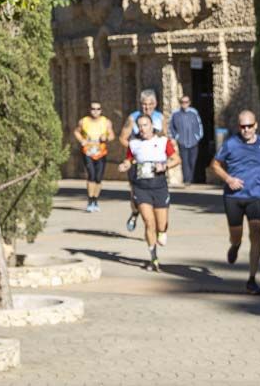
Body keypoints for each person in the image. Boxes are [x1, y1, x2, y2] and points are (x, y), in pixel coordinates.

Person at [210, 110, 260, 295]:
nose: (246, 129)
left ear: (256, 125)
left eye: (249, 126)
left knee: (255, 235)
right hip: (233, 197)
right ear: (239, 127)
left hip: (256, 196)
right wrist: (229, 179)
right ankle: (235, 245)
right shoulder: (231, 144)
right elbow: (214, 164)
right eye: (243, 126)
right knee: (236, 236)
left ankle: (252, 280)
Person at [118, 113, 180, 272]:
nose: (142, 129)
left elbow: (176, 159)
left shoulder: (162, 141)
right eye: (140, 126)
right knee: (148, 222)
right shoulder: (134, 144)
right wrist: (125, 165)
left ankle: (162, 232)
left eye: (145, 125)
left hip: (159, 187)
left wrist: (164, 166)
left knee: (161, 226)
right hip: (141, 187)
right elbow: (129, 160)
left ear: (152, 126)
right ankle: (154, 258)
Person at [119, 89, 166, 236]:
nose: (148, 107)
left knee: (156, 193)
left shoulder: (160, 118)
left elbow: (165, 138)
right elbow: (122, 138)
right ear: (141, 104)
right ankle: (135, 213)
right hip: (137, 162)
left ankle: (155, 225)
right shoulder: (133, 118)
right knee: (135, 192)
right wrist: (136, 151)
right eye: (145, 104)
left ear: (155, 104)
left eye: (151, 104)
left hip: (155, 164)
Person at [73, 101, 114, 212]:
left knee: (98, 177)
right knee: (91, 174)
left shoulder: (106, 122)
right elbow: (76, 132)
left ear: (101, 110)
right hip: (88, 152)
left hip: (101, 152)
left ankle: (95, 200)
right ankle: (90, 200)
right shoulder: (84, 121)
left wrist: (106, 138)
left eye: (98, 109)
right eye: (93, 109)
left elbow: (112, 135)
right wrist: (82, 140)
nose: (95, 111)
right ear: (89, 110)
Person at [170, 95, 204, 185]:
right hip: (182, 141)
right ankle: (187, 180)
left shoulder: (194, 113)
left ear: (189, 103)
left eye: (186, 102)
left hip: (193, 141)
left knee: (192, 161)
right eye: (182, 102)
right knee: (184, 162)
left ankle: (191, 178)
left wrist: (198, 136)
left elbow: (199, 125)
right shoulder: (175, 114)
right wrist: (176, 137)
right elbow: (171, 127)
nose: (184, 104)